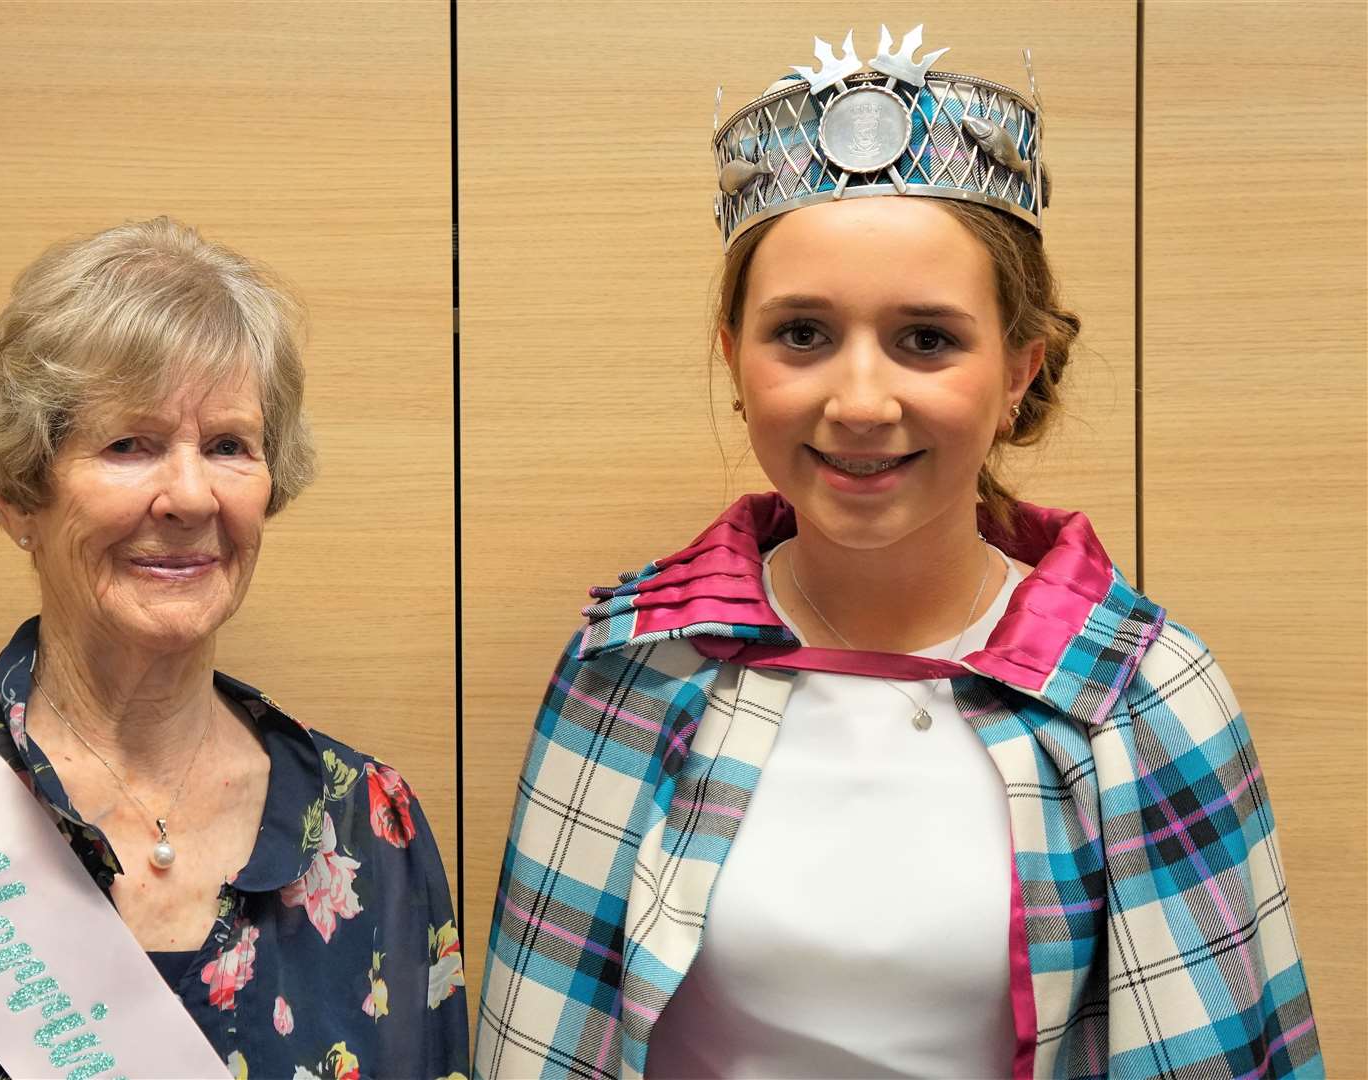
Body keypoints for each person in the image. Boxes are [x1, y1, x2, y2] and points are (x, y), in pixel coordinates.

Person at [475, 27, 1320, 1080]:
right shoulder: (630, 667)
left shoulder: (1143, 699)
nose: (860, 402)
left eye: (925, 339)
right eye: (801, 334)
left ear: (1020, 368)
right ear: (732, 358)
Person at [0, 217, 469, 1080]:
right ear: (17, 495)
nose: (190, 495)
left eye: (229, 445)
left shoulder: (370, 824)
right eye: (129, 445)